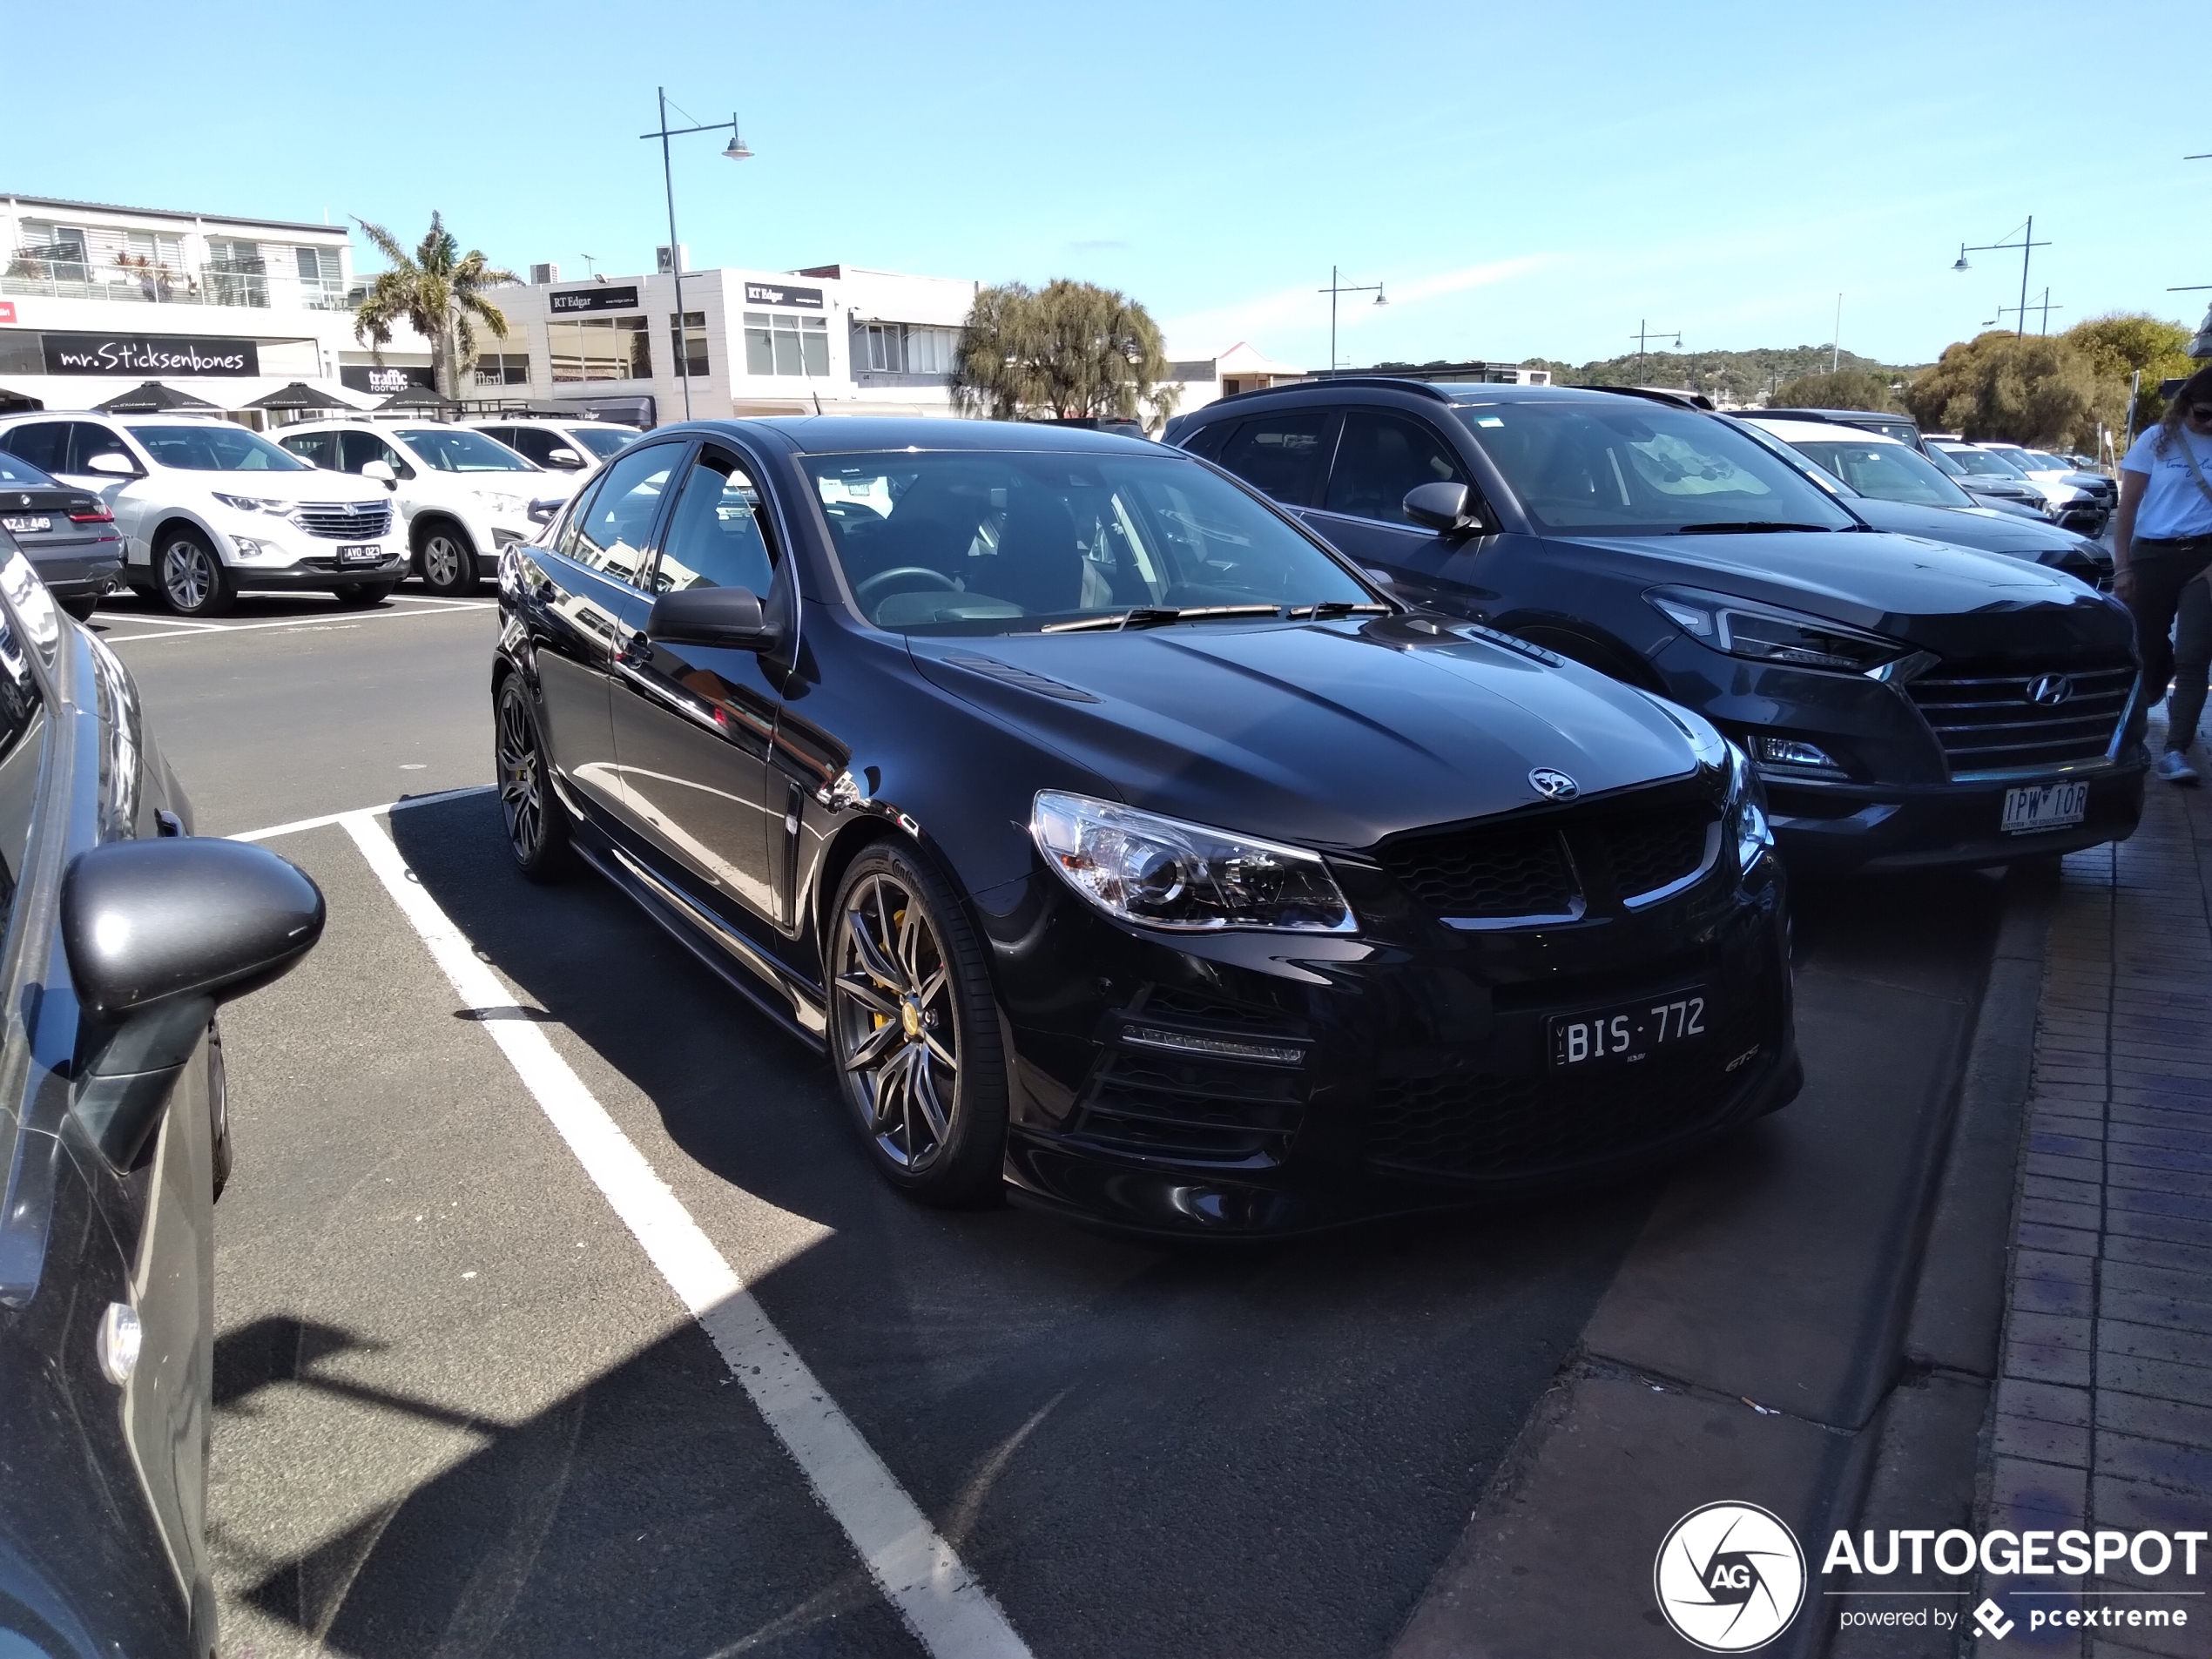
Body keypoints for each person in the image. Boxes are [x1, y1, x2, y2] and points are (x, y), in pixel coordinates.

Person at [2114, 364, 2212, 783]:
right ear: (2185, 404)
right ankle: (2131, 729)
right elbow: (2129, 506)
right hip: (2152, 555)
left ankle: (2176, 750)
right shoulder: (2157, 440)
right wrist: (2122, 567)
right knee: (2145, 651)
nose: (2209, 423)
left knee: (2195, 656)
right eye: (2204, 414)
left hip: (2204, 561)